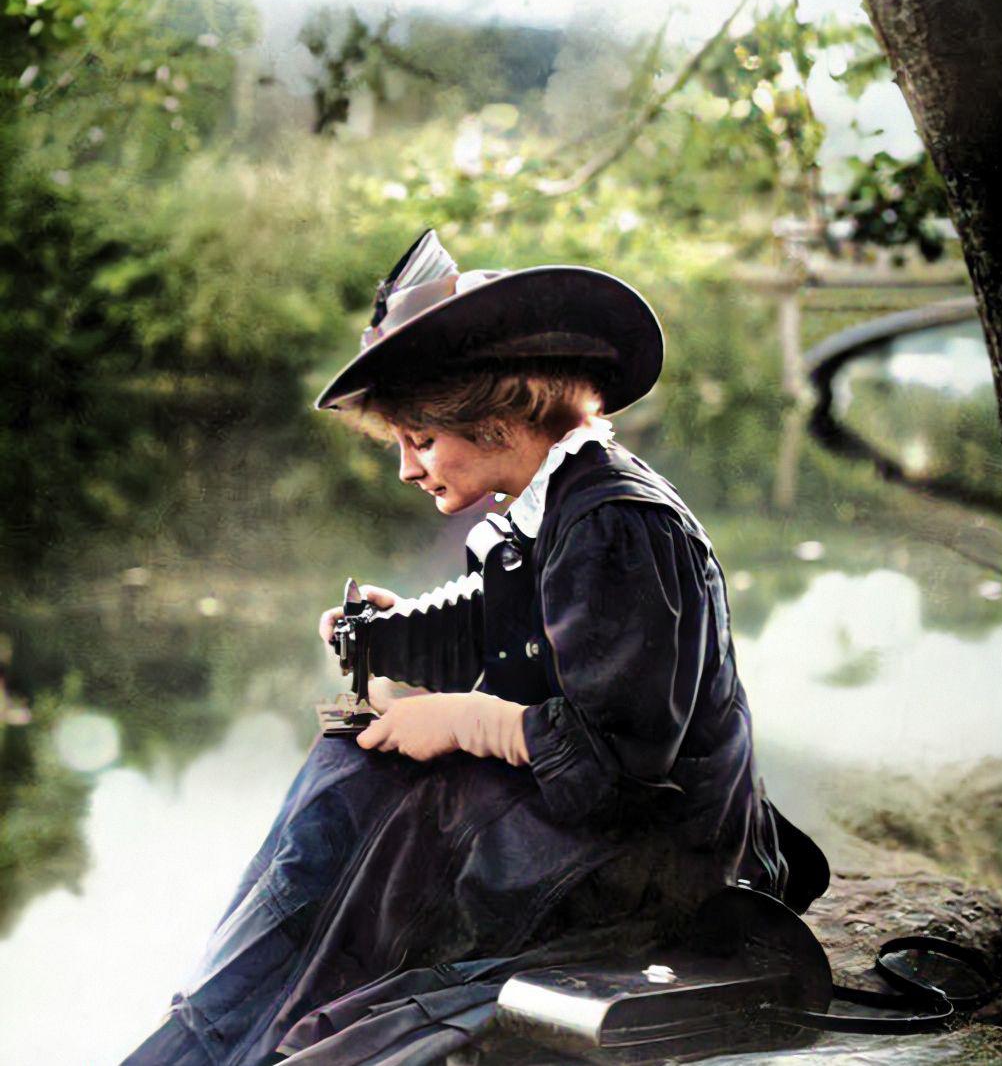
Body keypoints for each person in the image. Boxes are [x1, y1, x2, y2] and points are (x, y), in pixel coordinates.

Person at [123, 231, 827, 1066]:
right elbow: (500, 630)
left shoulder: (616, 524)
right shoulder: (546, 507)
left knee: (392, 804)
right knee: (357, 757)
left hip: (653, 855)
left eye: (420, 439)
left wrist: (468, 723)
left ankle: (248, 1024)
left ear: (498, 417)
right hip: (603, 827)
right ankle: (231, 1022)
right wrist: (385, 632)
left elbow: (623, 765)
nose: (407, 471)